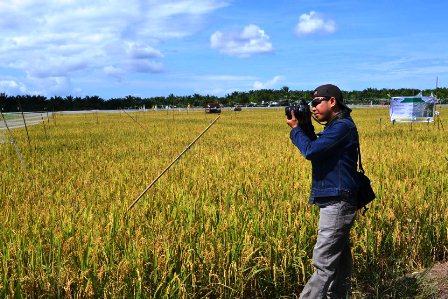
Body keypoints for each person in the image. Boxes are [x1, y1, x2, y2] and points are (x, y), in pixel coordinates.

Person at [286, 84, 359, 298]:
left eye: (317, 102)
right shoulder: (336, 126)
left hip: (337, 202)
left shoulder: (342, 127)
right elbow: (319, 148)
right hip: (335, 199)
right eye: (311, 104)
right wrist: (305, 126)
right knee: (339, 261)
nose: (313, 108)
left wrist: (296, 130)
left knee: (324, 262)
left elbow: (311, 151)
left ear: (332, 101)